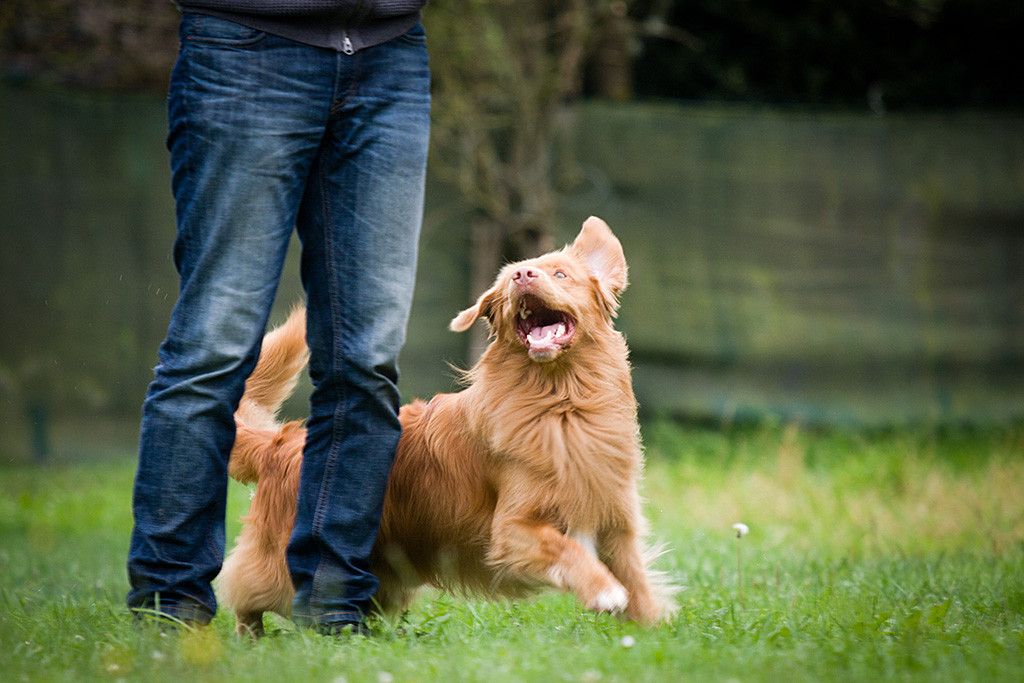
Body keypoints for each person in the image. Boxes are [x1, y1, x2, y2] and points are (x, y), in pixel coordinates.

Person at [126, 0, 431, 634]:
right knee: (213, 347)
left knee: (367, 361)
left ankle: (335, 604)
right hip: (245, 46)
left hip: (391, 53)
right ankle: (169, 608)